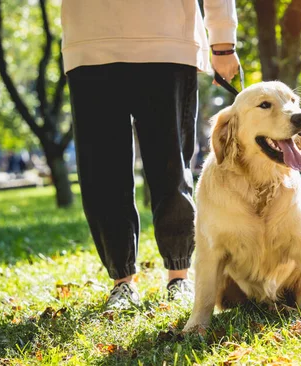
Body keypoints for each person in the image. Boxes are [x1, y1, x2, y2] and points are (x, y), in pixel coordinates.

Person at [61, 0, 240, 309]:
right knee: (102, 177)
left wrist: (223, 42)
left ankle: (179, 277)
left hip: (168, 40)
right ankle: (122, 283)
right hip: (89, 41)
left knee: (171, 169)